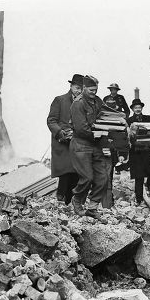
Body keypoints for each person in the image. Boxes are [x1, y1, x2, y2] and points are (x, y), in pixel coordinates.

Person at [69, 75, 107, 222]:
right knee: (87, 177)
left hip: (95, 144)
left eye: (96, 89)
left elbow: (105, 115)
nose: (94, 92)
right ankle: (77, 199)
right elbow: (81, 129)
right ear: (84, 88)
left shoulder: (97, 101)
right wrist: (98, 133)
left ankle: (92, 208)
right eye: (91, 90)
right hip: (81, 144)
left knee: (103, 178)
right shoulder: (78, 104)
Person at [47, 74, 83, 205]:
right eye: (77, 87)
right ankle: (61, 200)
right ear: (71, 86)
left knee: (76, 173)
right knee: (65, 173)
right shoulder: (60, 100)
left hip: (78, 143)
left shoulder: (84, 103)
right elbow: (51, 121)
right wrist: (60, 132)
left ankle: (70, 203)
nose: (79, 91)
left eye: (81, 89)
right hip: (62, 144)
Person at [127, 98, 150, 205]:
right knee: (138, 175)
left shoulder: (148, 118)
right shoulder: (129, 120)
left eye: (139, 107)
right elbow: (125, 135)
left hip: (148, 150)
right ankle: (139, 198)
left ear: (141, 108)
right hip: (136, 152)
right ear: (132, 109)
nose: (138, 109)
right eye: (136, 108)